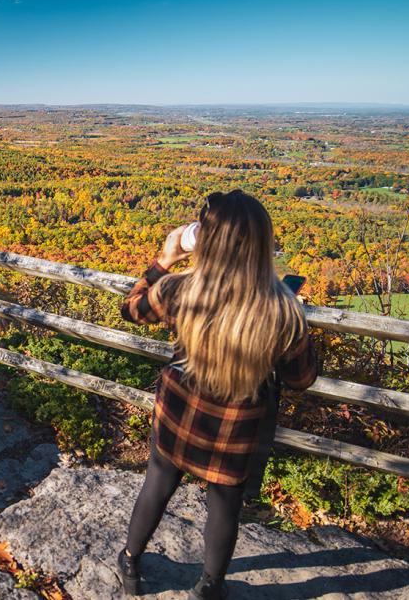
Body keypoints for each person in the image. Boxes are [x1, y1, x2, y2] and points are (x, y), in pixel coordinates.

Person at [116, 189, 319, 599]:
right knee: (225, 505)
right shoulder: (283, 311)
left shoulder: (179, 289)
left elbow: (131, 308)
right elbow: (302, 379)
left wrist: (163, 261)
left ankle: (131, 562)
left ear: (203, 242)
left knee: (157, 482)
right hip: (236, 430)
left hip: (178, 414)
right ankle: (210, 586)